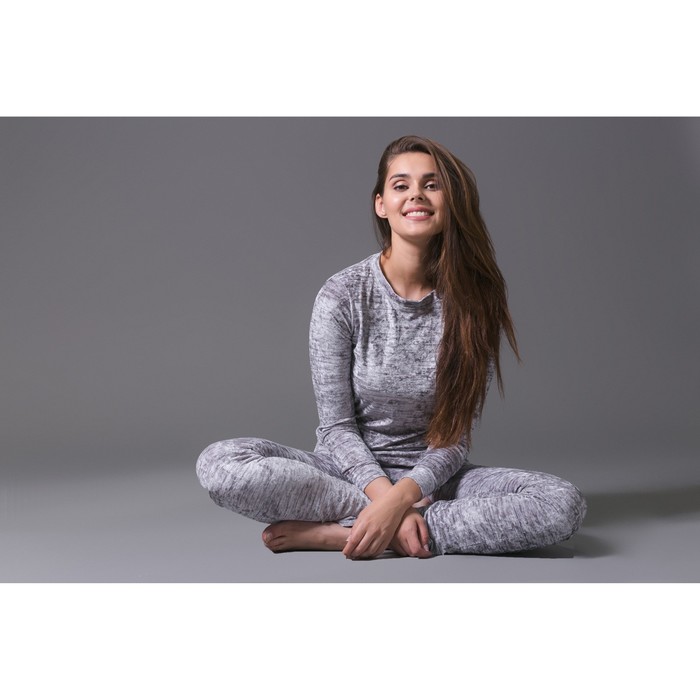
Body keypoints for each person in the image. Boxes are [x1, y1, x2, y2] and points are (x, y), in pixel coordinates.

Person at [195, 135, 587, 559]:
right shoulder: (342, 295)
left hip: (434, 480)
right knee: (221, 465)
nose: (416, 194)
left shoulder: (475, 303)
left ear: (450, 202)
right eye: (401, 185)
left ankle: (346, 534)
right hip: (344, 474)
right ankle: (391, 528)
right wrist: (387, 503)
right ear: (381, 204)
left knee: (561, 504)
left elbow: (454, 438)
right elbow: (336, 429)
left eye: (432, 185)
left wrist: (404, 498)